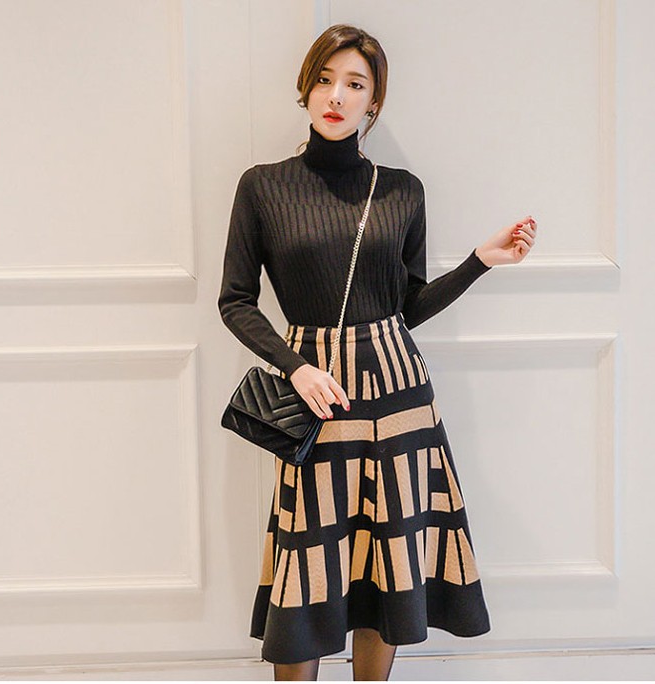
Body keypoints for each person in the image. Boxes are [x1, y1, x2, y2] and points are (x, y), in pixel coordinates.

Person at [218, 23, 537, 682]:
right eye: (325, 80)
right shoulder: (262, 187)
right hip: (319, 395)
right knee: (309, 565)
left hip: (398, 395)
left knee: (386, 563)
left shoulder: (401, 191)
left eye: (354, 84)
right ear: (305, 88)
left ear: (374, 101)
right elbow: (236, 301)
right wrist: (296, 367)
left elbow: (406, 307)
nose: (336, 95)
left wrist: (480, 261)